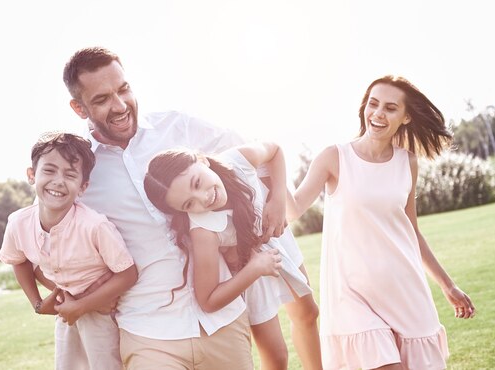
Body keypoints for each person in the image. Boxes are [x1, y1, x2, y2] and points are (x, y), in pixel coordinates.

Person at [62, 46, 320, 369]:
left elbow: (250, 157)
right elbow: (49, 229)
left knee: (297, 325)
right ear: (78, 107)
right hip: (151, 324)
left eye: (124, 89)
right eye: (101, 99)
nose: (120, 105)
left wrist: (279, 200)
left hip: (229, 289)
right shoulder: (80, 168)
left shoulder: (176, 127)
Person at [287, 75, 476, 370]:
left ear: (405, 117)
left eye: (390, 108)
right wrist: (271, 163)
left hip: (404, 288)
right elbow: (294, 208)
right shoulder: (334, 157)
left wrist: (448, 286)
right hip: (351, 295)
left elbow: (411, 230)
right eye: (373, 104)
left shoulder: (407, 162)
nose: (377, 113)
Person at [143, 143, 318, 370]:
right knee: (277, 356)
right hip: (249, 269)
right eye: (189, 203)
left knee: (308, 313)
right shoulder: (203, 230)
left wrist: (277, 200)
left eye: (196, 183)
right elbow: (208, 300)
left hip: (276, 239)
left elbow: (274, 151)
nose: (202, 198)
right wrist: (254, 269)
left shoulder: (237, 161)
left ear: (201, 160)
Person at [0, 132, 137, 370]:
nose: (58, 181)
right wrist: (38, 303)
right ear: (32, 175)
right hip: (66, 313)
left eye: (70, 174)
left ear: (83, 186)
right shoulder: (18, 223)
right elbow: (18, 260)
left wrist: (84, 305)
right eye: (49, 170)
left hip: (102, 313)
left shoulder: (95, 226)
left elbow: (128, 274)